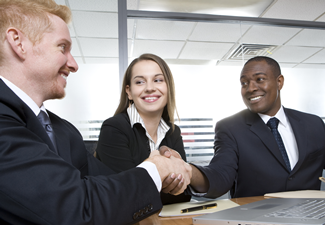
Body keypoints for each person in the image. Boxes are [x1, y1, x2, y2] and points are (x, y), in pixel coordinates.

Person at [0, 0, 192, 224]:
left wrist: (159, 171)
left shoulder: (63, 130)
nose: (73, 64)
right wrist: (156, 168)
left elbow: (111, 185)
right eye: (63, 47)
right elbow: (75, 206)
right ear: (18, 42)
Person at [167, 56, 325, 199]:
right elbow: (221, 175)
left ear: (279, 82)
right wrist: (189, 172)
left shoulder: (314, 124)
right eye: (244, 83)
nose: (250, 88)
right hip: (257, 219)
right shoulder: (230, 128)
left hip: (311, 217)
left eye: (260, 79)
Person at [95, 53, 191, 205]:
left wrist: (160, 185)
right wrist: (166, 184)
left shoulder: (173, 132)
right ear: (129, 91)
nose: (150, 88)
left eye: (158, 80)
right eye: (140, 82)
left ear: (168, 88)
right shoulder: (113, 129)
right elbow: (126, 194)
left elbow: (184, 192)